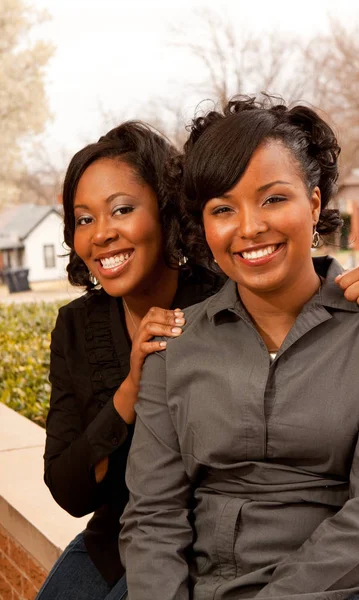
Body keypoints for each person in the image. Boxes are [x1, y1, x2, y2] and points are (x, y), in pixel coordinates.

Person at [120, 96, 359, 600]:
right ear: (204, 227)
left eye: (273, 199)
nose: (249, 227)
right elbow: (152, 517)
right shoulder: (173, 343)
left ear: (314, 204)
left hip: (343, 589)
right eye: (223, 209)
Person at [37, 121, 220, 600]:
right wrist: (130, 390)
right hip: (113, 538)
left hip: (209, 547)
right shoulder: (76, 327)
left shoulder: (223, 299)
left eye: (121, 210)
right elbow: (67, 488)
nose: (102, 234)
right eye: (84, 219)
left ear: (165, 211)